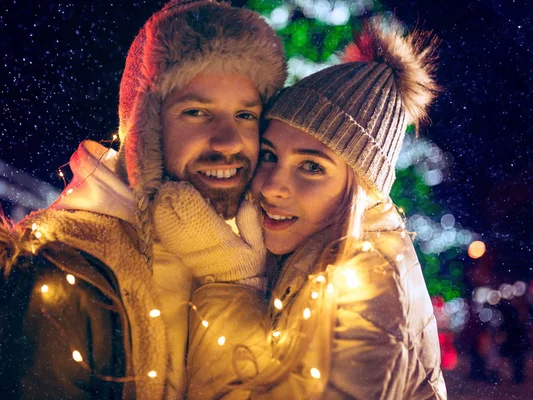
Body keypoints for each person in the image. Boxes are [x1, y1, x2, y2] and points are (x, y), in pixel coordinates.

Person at [0, 0, 286, 398]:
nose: (229, 141)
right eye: (197, 112)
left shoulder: (246, 258)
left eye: (246, 115)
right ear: (144, 127)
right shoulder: (59, 272)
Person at [157, 15, 447, 399]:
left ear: (362, 187)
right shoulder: (316, 255)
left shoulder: (366, 288)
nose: (272, 186)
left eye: (311, 167)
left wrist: (229, 282)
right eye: (269, 155)